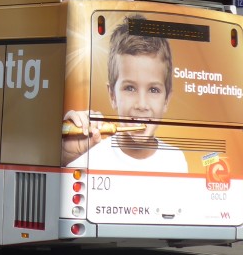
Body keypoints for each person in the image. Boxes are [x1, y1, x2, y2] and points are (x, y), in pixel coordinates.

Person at [62, 15, 187, 172]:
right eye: (130, 88)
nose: (141, 105)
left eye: (153, 90)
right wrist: (65, 155)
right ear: (112, 96)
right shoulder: (89, 156)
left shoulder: (176, 161)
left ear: (167, 100)